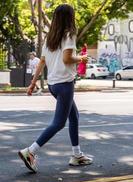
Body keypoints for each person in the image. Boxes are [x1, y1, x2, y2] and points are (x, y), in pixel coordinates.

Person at [18, 4, 93, 173]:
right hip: (65, 84)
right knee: (59, 123)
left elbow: (43, 62)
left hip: (53, 85)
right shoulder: (69, 34)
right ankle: (30, 151)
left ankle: (77, 155)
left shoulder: (50, 37)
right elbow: (67, 59)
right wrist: (82, 58)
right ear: (70, 17)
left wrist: (32, 83)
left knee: (74, 116)